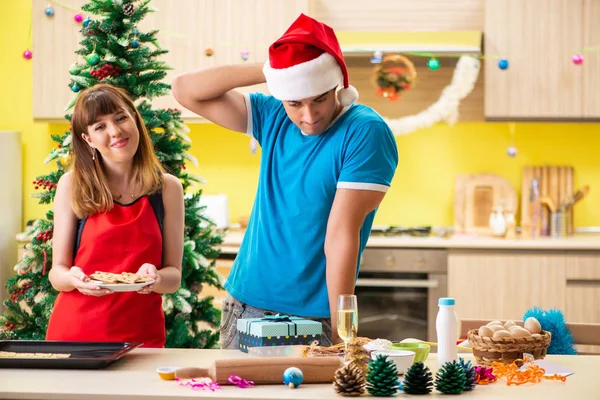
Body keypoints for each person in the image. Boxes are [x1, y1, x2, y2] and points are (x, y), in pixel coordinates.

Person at [172, 14, 398, 349]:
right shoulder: (274, 115)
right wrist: (273, 70)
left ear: (337, 84)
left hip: (312, 319)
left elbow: (340, 235)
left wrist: (341, 334)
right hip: (244, 307)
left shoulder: (364, 131)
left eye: (319, 98)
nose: (308, 116)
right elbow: (185, 90)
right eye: (295, 102)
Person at [46, 84, 184, 348]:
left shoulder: (167, 188)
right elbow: (57, 274)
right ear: (88, 139)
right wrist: (73, 278)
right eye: (100, 127)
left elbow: (173, 277)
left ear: (134, 118)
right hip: (76, 337)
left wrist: (156, 278)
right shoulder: (72, 185)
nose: (115, 131)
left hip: (142, 340)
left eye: (121, 118)